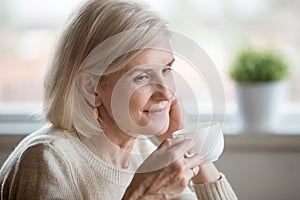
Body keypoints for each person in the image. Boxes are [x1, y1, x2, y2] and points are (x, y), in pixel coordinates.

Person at [0, 0, 237, 199]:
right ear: (92, 88)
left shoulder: (144, 151)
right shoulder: (48, 159)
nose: (166, 92)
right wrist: (141, 195)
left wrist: (188, 143)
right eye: (142, 77)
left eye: (166, 70)